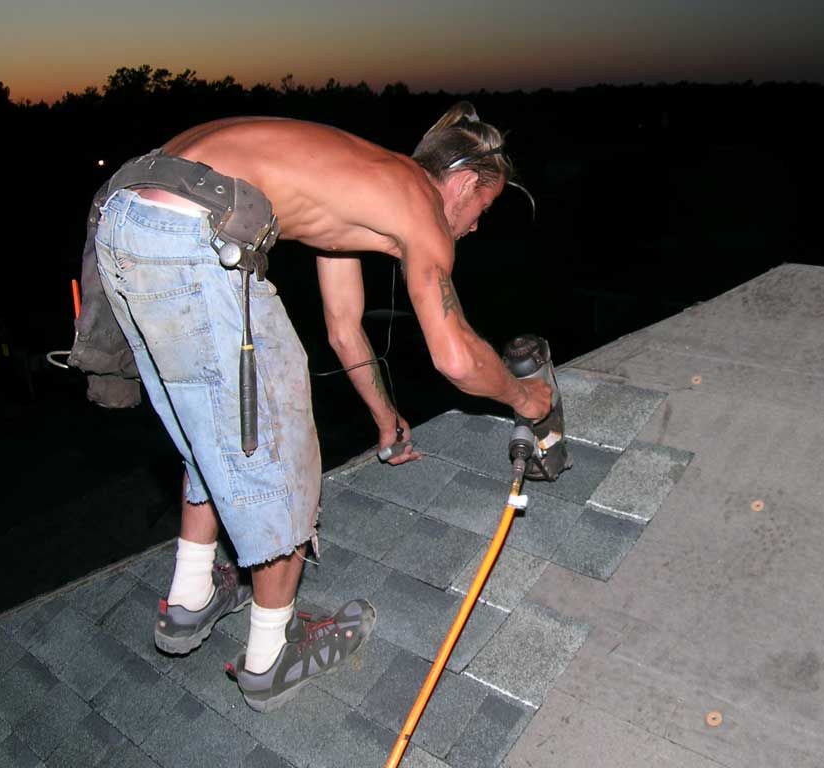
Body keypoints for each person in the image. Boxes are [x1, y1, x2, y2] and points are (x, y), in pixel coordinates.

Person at [91, 102, 553, 712]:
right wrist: (528, 397)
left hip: (124, 216)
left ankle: (190, 597)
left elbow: (343, 328)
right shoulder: (418, 203)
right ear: (465, 183)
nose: (471, 228)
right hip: (192, 234)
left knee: (217, 421)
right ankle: (271, 652)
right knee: (276, 444)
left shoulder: (361, 185)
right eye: (482, 211)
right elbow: (456, 359)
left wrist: (384, 417)